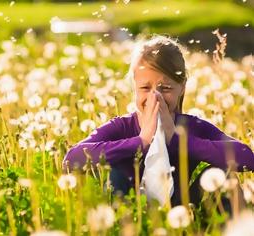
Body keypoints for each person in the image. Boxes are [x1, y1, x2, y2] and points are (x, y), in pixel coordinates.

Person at [62, 35, 254, 207]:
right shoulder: (122, 126)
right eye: (145, 88)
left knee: (225, 176)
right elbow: (71, 159)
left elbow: (247, 157)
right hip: (130, 209)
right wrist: (141, 142)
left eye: (166, 88)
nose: (156, 97)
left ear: (182, 88)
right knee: (116, 176)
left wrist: (178, 140)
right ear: (134, 88)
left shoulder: (191, 126)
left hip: (182, 210)